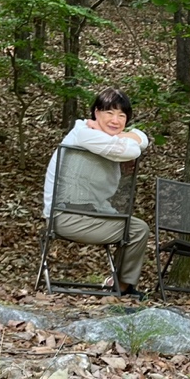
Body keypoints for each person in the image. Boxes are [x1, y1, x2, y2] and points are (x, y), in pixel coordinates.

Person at [43, 87, 150, 296]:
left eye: (122, 115)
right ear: (96, 113)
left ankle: (119, 284)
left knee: (137, 227)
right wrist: (129, 142)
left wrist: (125, 136)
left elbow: (142, 137)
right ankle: (122, 287)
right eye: (109, 113)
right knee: (136, 230)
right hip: (66, 215)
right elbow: (132, 149)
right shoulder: (82, 134)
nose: (115, 120)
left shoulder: (100, 135)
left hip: (93, 213)